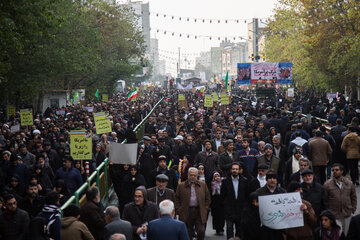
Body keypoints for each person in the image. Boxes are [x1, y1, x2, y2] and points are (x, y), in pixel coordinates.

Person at [174, 167, 211, 240]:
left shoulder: (203, 185)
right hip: (186, 211)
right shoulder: (181, 185)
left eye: (195, 175)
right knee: (188, 232)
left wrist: (205, 208)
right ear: (188, 175)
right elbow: (176, 198)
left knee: (201, 231)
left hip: (199, 211)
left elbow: (208, 198)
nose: (193, 177)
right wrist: (179, 210)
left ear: (197, 176)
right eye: (191, 175)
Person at [324, 163, 357, 236]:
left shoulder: (349, 183)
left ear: (342, 171)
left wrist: (353, 209)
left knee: (347, 234)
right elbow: (325, 199)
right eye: (333, 170)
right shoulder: (327, 184)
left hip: (347, 213)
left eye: (337, 170)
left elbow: (353, 197)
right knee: (336, 235)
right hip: (334, 214)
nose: (334, 171)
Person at [220, 162, 248, 240]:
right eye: (233, 169)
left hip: (241, 210)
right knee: (229, 230)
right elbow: (222, 196)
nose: (235, 170)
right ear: (230, 170)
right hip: (229, 210)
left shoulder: (244, 181)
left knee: (239, 231)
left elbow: (246, 196)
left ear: (239, 170)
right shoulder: (225, 181)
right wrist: (225, 207)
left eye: (236, 169)